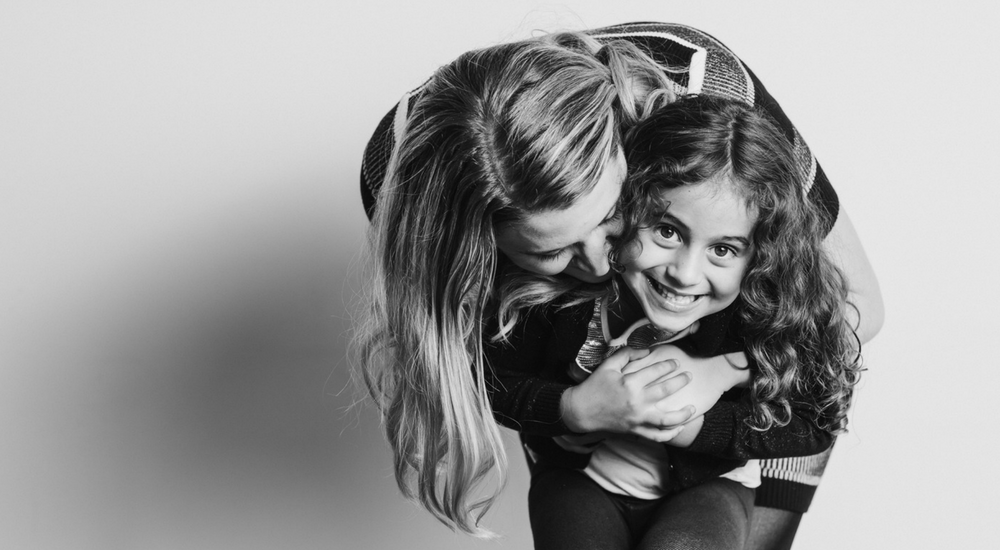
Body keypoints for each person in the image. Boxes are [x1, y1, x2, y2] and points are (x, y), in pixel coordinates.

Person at [355, 22, 884, 544]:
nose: (601, 267)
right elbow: (482, 361)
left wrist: (722, 371)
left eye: (610, 217)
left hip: (749, 426)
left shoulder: (719, 100)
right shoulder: (401, 187)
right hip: (585, 441)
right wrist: (572, 410)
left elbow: (853, 313)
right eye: (554, 250)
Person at [489, 94, 862, 549]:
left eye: (723, 250)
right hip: (577, 482)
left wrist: (699, 419)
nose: (684, 273)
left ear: (759, 258)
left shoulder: (756, 316)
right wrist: (573, 408)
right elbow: (494, 384)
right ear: (625, 209)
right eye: (667, 231)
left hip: (709, 489)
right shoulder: (560, 298)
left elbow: (816, 421)